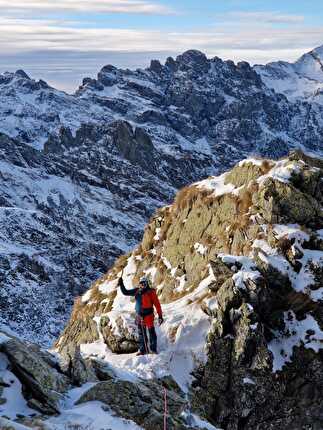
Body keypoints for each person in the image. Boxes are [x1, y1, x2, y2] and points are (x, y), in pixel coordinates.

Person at [118, 275, 163, 355]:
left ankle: (153, 349)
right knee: (141, 333)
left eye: (143, 283)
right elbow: (125, 292)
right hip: (139, 316)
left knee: (151, 332)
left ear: (146, 284)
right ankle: (143, 350)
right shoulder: (137, 291)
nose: (141, 285)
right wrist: (121, 284)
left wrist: (160, 316)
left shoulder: (151, 292)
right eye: (140, 283)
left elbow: (157, 304)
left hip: (149, 316)